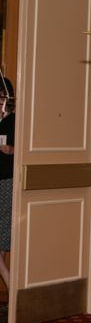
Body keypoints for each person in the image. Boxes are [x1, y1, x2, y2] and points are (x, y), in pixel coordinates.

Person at [0, 77, 15, 291]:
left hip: (7, 182)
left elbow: (25, 152)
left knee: (2, 239)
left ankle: (14, 291)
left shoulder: (14, 121)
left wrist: (12, 150)